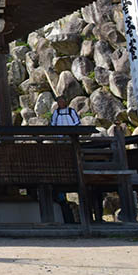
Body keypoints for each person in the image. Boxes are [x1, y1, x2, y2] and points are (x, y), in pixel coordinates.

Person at [49, 94, 79, 223]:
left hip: (71, 136)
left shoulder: (71, 111)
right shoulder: (56, 113)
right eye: (59, 101)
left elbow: (77, 122)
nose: (61, 103)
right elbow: (53, 124)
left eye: (62, 101)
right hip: (61, 137)